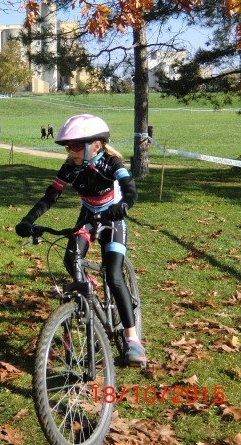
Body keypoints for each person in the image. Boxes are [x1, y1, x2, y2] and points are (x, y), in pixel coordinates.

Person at [14, 114, 144, 366]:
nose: (70, 152)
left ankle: (132, 339)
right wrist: (28, 220)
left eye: (75, 146)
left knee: (114, 275)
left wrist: (124, 205)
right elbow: (50, 196)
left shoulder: (111, 162)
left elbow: (130, 188)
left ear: (96, 144)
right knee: (70, 258)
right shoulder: (70, 167)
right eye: (67, 146)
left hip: (112, 217)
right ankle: (90, 298)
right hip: (88, 214)